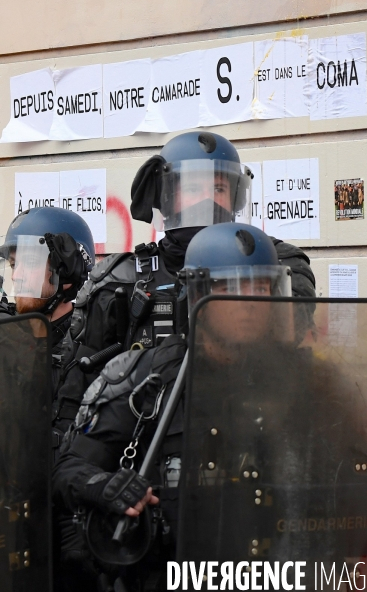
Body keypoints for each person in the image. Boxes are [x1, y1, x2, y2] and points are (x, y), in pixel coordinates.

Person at [52, 222, 317, 591]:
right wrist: (105, 486)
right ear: (197, 295)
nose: (249, 304)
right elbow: (67, 467)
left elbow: (360, 484)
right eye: (230, 287)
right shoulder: (146, 378)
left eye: (260, 287)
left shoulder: (309, 384)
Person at [53, 130, 316, 448]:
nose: (207, 200)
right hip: (146, 449)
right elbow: (78, 394)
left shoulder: (273, 263)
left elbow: (288, 339)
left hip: (250, 436)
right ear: (166, 196)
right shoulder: (117, 279)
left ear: (235, 197)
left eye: (218, 188)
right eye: (192, 188)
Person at [0, 206, 95, 392]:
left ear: (68, 273)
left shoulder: (87, 346)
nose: (15, 275)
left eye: (31, 262)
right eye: (13, 264)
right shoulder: (6, 334)